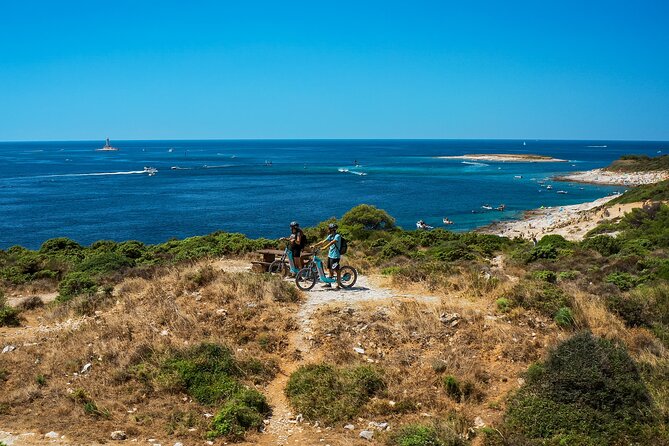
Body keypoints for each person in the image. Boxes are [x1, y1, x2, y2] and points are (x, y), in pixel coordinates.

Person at [312, 223, 342, 288]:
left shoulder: (337, 236)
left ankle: (338, 284)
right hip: (330, 255)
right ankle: (329, 283)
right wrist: (315, 245)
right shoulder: (330, 236)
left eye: (330, 229)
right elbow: (323, 241)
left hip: (336, 256)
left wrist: (325, 247)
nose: (329, 230)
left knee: (336, 270)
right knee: (329, 269)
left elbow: (332, 242)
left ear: (333, 229)